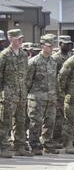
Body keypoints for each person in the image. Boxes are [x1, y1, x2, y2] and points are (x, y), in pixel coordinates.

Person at [25, 34, 60, 155]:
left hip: (51, 97)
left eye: (53, 45)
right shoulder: (33, 62)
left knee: (50, 122)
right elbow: (27, 81)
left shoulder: (53, 61)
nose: (52, 48)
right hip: (36, 97)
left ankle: (47, 144)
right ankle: (34, 145)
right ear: (42, 46)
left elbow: (54, 80)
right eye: (49, 46)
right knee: (36, 122)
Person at [0, 29, 31, 157]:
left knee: (21, 121)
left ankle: (20, 146)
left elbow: (26, 75)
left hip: (21, 94)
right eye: (18, 38)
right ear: (10, 39)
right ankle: (3, 147)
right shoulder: (4, 55)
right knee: (5, 122)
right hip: (8, 94)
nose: (20, 41)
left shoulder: (24, 55)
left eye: (21, 38)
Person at [52, 35, 73, 147]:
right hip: (58, 91)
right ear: (60, 44)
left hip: (69, 91)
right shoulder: (55, 58)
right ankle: (55, 139)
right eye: (66, 44)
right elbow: (53, 76)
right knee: (58, 117)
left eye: (70, 44)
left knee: (68, 116)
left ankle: (65, 138)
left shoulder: (71, 57)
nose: (69, 46)